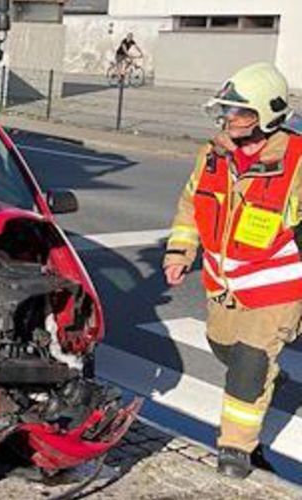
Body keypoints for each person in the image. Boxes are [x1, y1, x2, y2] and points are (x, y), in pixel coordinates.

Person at [164, 62, 301, 479]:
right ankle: (257, 384)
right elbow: (191, 205)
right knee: (223, 345)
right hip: (223, 284)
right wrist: (179, 252)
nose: (229, 119)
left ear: (268, 114)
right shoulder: (213, 155)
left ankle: (235, 449)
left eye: (240, 112)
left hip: (276, 286)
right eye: (226, 111)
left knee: (249, 362)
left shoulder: (296, 159)